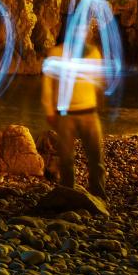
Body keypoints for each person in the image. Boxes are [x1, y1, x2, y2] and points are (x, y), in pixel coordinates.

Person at [41, 21, 106, 199]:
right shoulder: (56, 53)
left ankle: (98, 192)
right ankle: (68, 192)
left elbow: (97, 80)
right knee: (66, 158)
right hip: (65, 113)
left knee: (95, 156)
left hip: (89, 111)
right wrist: (49, 110)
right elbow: (48, 84)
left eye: (83, 30)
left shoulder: (93, 53)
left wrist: (99, 102)